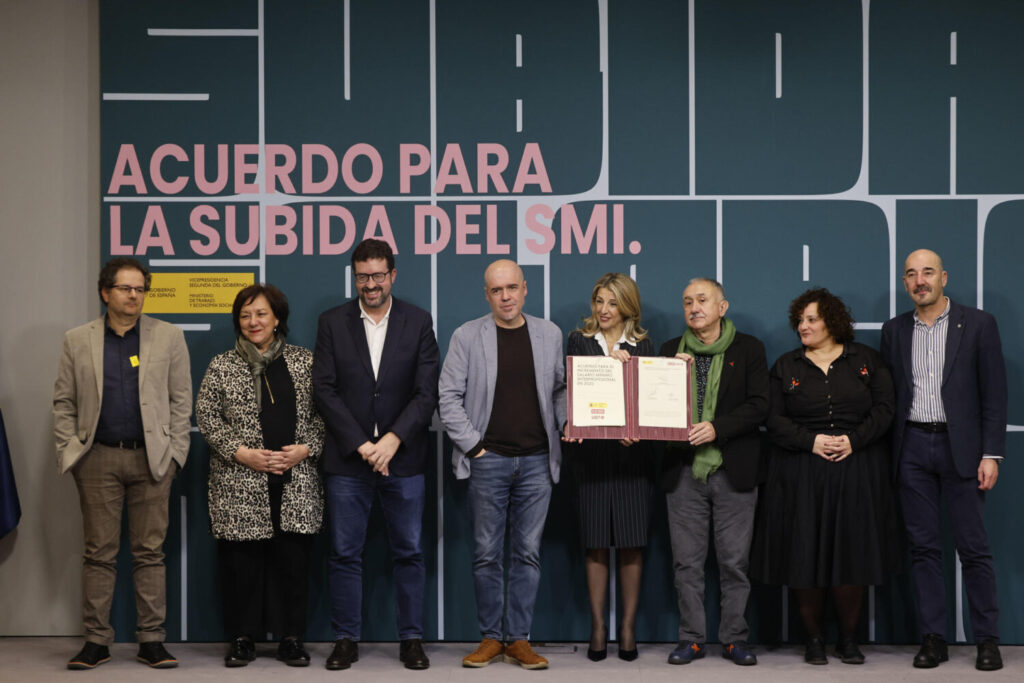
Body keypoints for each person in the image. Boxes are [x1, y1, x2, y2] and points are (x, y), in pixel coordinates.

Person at [53, 257, 191, 670]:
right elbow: (63, 402)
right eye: (126, 288)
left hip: (153, 460)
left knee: (150, 553)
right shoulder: (77, 340)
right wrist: (70, 452)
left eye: (140, 289)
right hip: (96, 459)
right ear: (105, 292)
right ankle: (96, 641)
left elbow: (181, 401)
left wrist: (175, 455)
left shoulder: (168, 337)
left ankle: (152, 641)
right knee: (99, 554)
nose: (134, 296)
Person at [752, 287, 900, 666]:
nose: (803, 326)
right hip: (801, 472)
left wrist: (853, 440)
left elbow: (885, 409)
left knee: (852, 553)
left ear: (832, 321)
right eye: (800, 320)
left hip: (858, 470)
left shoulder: (866, 360)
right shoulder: (786, 366)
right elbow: (773, 419)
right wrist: (811, 441)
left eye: (811, 319)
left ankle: (848, 640)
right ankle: (814, 639)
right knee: (805, 553)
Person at [312, 238, 439, 671]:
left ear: (393, 276)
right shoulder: (332, 323)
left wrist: (392, 440)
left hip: (403, 460)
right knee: (345, 553)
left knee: (409, 552)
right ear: (355, 276)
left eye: (378, 275)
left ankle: (411, 640)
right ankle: (346, 638)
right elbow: (324, 390)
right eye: (363, 276)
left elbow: (427, 393)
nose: (371, 284)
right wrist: (364, 444)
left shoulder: (418, 322)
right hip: (349, 461)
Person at [880, 249, 1006, 672]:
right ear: (905, 284)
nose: (920, 281)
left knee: (973, 549)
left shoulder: (979, 325)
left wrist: (991, 454)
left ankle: (987, 640)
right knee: (924, 549)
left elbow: (994, 394)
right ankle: (933, 638)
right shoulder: (894, 330)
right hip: (913, 447)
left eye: (928, 272)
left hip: (963, 449)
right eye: (912, 274)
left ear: (944, 278)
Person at [438, 259, 566, 670]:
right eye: (497, 290)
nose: (505, 296)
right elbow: (448, 398)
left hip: (536, 463)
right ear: (487, 294)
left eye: (512, 288)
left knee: (527, 553)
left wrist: (567, 423)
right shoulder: (467, 336)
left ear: (525, 289)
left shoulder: (549, 334)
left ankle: (520, 640)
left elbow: (560, 390)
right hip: (488, 461)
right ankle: (491, 638)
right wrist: (475, 448)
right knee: (486, 554)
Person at [195, 284, 325, 668]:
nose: (253, 322)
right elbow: (206, 415)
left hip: (295, 478)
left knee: (293, 563)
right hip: (239, 480)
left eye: (261, 314)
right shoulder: (222, 365)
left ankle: (291, 638)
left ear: (278, 319)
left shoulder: (305, 362)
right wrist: (241, 453)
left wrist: (306, 448)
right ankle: (242, 638)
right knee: (240, 565)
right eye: (246, 315)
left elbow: (324, 414)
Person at [659, 278, 768, 667]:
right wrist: (675, 374)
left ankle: (733, 639)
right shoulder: (671, 351)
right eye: (687, 301)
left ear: (722, 307)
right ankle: (691, 639)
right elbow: (656, 407)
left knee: (734, 562)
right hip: (683, 471)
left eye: (702, 300)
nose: (694, 307)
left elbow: (759, 406)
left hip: (732, 468)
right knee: (686, 563)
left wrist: (717, 427)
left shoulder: (749, 349)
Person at [565, 273, 654, 662]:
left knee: (632, 544)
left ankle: (628, 628)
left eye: (613, 303)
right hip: (592, 458)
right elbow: (573, 393)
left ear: (628, 307)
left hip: (633, 458)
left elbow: (650, 402)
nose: (604, 310)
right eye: (599, 301)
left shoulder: (645, 345)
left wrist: (641, 431)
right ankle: (598, 626)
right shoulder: (578, 341)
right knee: (596, 543)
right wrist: (608, 362)